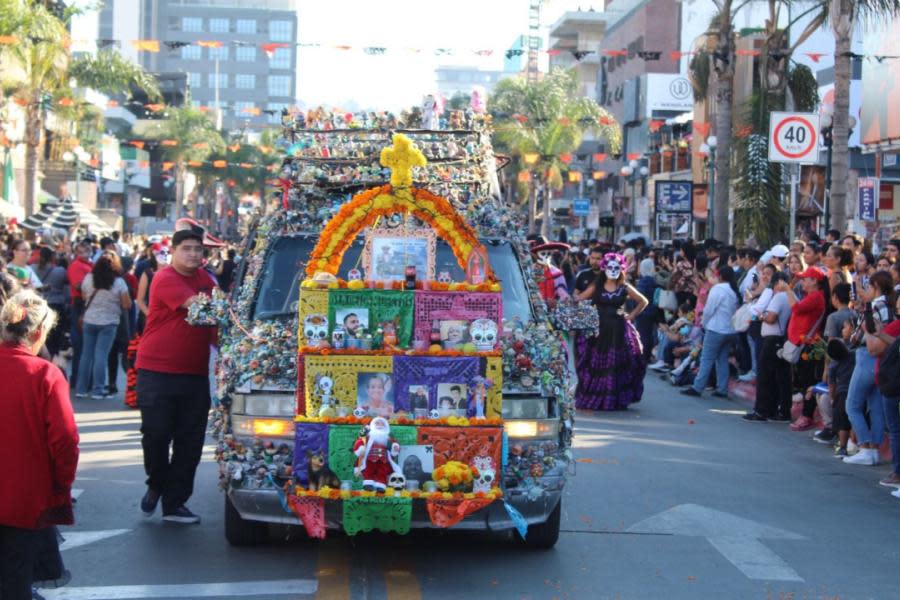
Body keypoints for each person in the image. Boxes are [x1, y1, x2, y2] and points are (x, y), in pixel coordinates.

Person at [0, 290, 79, 599]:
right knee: (16, 579)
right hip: (25, 497)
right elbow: (65, 440)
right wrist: (62, 484)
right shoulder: (45, 374)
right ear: (38, 332)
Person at [135, 228, 217, 524]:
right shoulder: (166, 278)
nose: (194, 254)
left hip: (194, 375)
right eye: (187, 248)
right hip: (156, 371)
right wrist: (225, 305)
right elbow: (200, 307)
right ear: (174, 251)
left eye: (198, 249)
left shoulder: (206, 280)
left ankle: (174, 503)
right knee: (155, 435)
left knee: (190, 442)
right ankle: (157, 482)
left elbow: (213, 326)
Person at [574, 252, 648, 410]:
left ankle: (614, 400)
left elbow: (643, 301)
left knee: (616, 364)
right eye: (610, 267)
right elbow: (580, 298)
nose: (613, 270)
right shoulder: (597, 285)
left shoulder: (624, 287)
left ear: (621, 269)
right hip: (598, 330)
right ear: (604, 268)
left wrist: (631, 316)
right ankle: (597, 398)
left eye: (616, 267)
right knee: (595, 362)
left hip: (618, 330)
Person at [843, 271, 894, 465]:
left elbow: (856, 337)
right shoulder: (887, 306)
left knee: (852, 404)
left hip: (867, 356)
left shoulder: (875, 306)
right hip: (881, 360)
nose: (865, 291)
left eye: (868, 287)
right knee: (875, 406)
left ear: (875, 287)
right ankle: (874, 449)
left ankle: (865, 445)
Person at [778, 266, 829, 432]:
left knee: (808, 382)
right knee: (802, 380)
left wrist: (787, 289)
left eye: (805, 278)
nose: (802, 281)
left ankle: (807, 416)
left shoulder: (816, 297)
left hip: (808, 346)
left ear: (814, 281)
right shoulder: (811, 295)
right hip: (801, 344)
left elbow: (796, 308)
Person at [76, 253, 132, 400]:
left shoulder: (88, 278)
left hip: (89, 320)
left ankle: (81, 389)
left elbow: (83, 296)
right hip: (109, 322)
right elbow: (127, 304)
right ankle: (97, 390)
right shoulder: (119, 282)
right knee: (101, 355)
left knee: (86, 355)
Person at [681, 266, 740, 398]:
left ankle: (697, 387)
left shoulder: (718, 289)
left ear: (720, 276)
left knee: (706, 358)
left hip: (716, 329)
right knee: (722, 359)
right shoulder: (733, 291)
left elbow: (708, 310)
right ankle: (722, 389)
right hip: (730, 330)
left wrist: (704, 323)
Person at [743, 271, 793, 421]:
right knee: (780, 378)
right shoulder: (791, 297)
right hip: (780, 339)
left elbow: (770, 318)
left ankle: (762, 410)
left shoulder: (779, 297)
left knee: (765, 376)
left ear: (779, 283)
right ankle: (778, 410)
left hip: (772, 339)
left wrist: (761, 316)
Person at [865, 293, 900, 493]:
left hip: (894, 387)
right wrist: (879, 333)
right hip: (891, 386)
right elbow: (895, 344)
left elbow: (874, 350)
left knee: (895, 430)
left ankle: (897, 472)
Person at [66, 241, 93, 388]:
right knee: (81, 346)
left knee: (85, 346)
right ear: (77, 252)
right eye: (82, 249)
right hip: (79, 306)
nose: (86, 251)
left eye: (88, 248)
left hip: (86, 305)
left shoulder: (89, 264)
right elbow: (78, 286)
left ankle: (85, 380)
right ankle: (78, 379)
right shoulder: (76, 266)